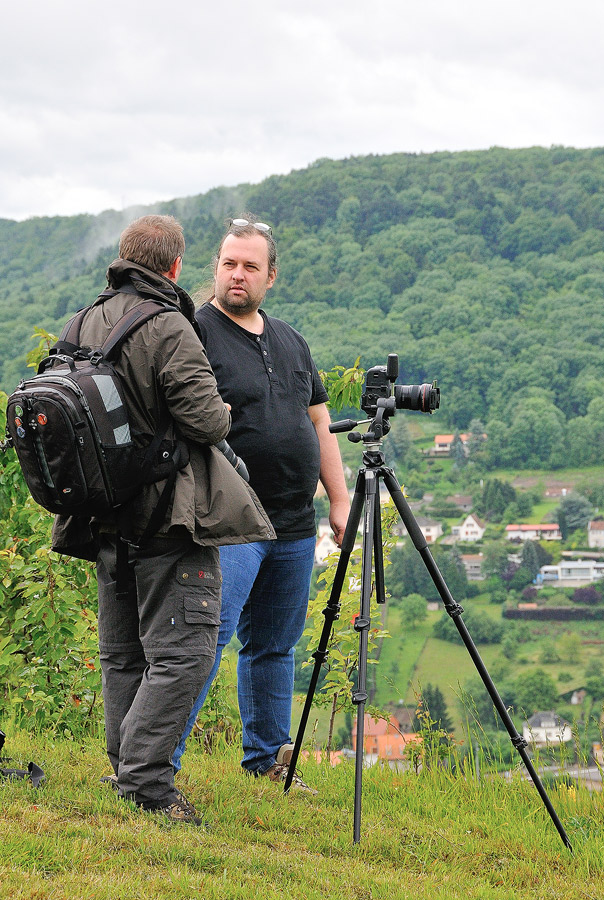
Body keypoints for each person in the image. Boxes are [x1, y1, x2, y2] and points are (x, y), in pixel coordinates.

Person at [51, 215, 271, 824]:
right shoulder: (169, 325)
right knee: (185, 651)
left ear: (123, 259)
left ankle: (126, 765)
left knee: (124, 653)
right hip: (168, 514)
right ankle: (146, 781)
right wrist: (221, 408)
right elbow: (207, 422)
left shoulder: (84, 321)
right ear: (174, 267)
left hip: (102, 513)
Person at [172, 216, 350, 791]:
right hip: (229, 520)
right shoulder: (194, 333)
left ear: (271, 275)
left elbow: (320, 425)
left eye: (250, 265)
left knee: (275, 646)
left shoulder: (291, 340)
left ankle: (269, 759)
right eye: (229, 263)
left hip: (296, 522)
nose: (237, 274)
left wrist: (340, 500)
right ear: (216, 269)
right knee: (205, 639)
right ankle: (158, 764)